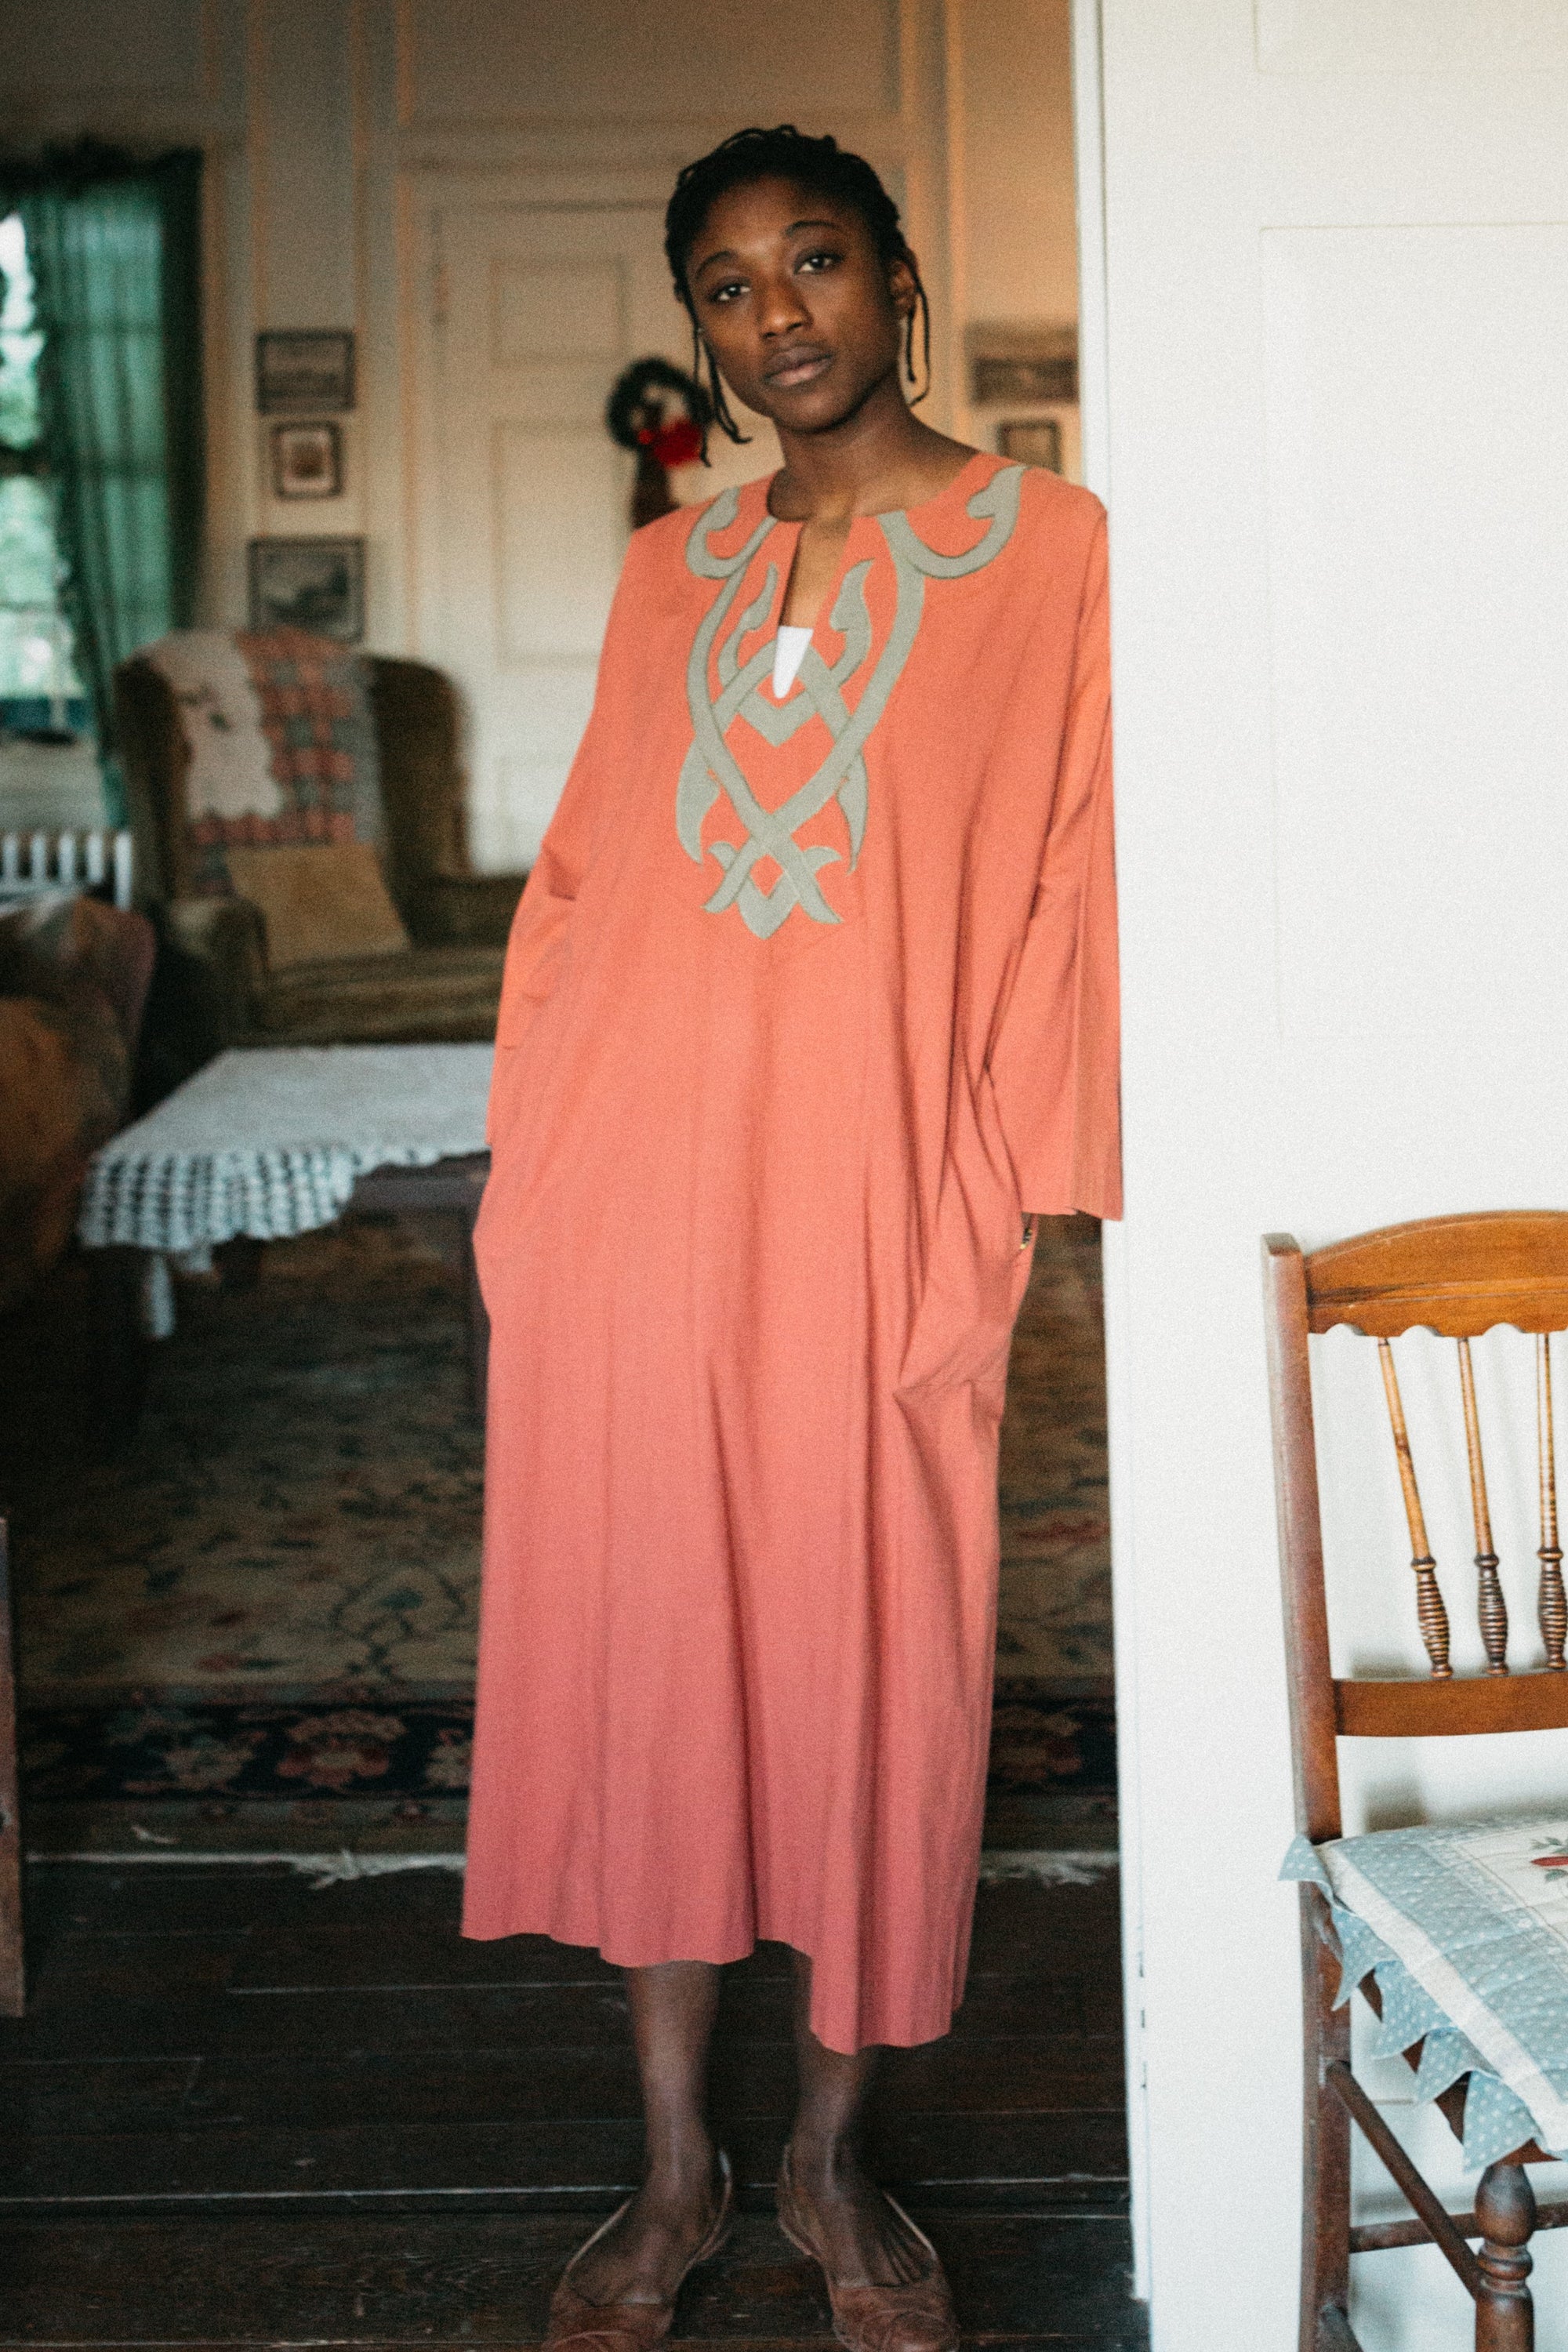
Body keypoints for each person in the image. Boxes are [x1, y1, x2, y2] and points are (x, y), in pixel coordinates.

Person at [463, 125, 1120, 2352]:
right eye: (731, 288)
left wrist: (1017, 1192)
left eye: (816, 262)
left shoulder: (1056, 555)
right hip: (633, 1198)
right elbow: (576, 894)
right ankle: (672, 2171)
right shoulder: (672, 570)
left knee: (874, 1668)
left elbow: (1072, 885)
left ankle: (833, 2165)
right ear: (706, 335)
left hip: (876, 1208)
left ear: (896, 278)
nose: (780, 316)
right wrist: (530, 1182)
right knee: (661, 1646)